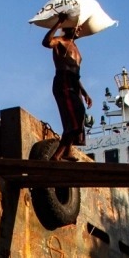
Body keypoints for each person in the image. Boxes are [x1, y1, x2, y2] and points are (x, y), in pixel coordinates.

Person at [42, 21, 92, 161]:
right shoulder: (60, 41)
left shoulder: (76, 47)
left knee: (78, 118)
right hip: (63, 82)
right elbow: (46, 42)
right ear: (69, 27)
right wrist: (59, 23)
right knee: (74, 121)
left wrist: (84, 92)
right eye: (77, 26)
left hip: (74, 84)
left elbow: (75, 73)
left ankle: (67, 151)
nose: (79, 29)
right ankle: (57, 155)